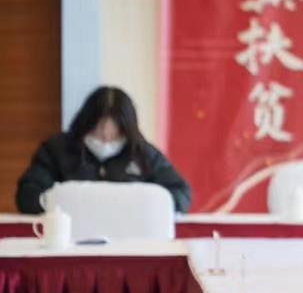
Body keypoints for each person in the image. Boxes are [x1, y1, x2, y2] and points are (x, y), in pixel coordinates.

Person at [17, 86, 191, 213]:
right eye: (98, 131)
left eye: (115, 134)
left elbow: (181, 194)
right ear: (85, 123)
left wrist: (146, 202)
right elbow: (27, 195)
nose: (106, 139)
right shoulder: (56, 149)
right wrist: (57, 200)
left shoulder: (143, 154)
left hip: (129, 237)